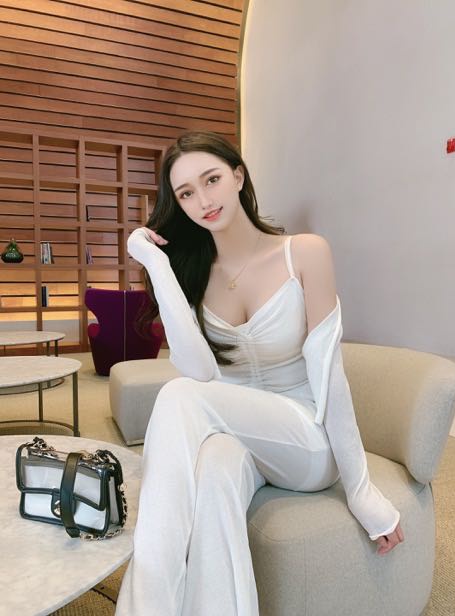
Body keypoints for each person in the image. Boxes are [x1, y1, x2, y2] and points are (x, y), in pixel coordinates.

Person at [116, 131, 404, 616]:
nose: (203, 200)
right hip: (238, 437)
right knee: (213, 470)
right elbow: (198, 369)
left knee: (179, 396)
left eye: (211, 180)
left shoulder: (305, 252)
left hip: (306, 439)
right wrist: (156, 264)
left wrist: (361, 491)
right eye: (185, 193)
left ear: (238, 176)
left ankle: (145, 604)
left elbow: (330, 375)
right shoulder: (192, 271)